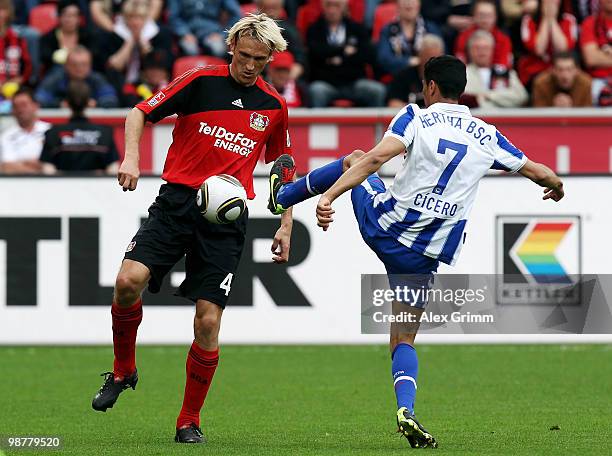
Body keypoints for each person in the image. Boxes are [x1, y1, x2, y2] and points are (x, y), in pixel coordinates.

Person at [267, 55, 565, 449]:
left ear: (430, 87)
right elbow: (538, 171)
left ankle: (283, 195)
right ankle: (405, 408)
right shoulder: (486, 135)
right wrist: (557, 185)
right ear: (463, 90)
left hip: (387, 228)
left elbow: (375, 159)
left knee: (356, 157)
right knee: (404, 339)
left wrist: (330, 197)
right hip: (425, 255)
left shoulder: (416, 117)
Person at [90, 14, 295, 444]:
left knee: (207, 323)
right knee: (128, 281)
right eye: (245, 56)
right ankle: (124, 370)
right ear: (232, 47)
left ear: (271, 57)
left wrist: (286, 223)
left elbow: (282, 169)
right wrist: (131, 158)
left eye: (261, 59)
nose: (251, 66)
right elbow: (138, 113)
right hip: (177, 203)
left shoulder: (273, 107)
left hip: (226, 221)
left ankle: (189, 420)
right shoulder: (200, 80)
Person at [307, 0, 386, 107]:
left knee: (377, 90)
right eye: (329, 5)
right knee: (315, 90)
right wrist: (343, 51)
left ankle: (378, 124)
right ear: (323, 7)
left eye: (337, 6)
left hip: (354, 82)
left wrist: (330, 58)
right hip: (326, 83)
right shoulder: (314, 29)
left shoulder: (357, 29)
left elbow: (367, 55)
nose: (332, 10)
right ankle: (318, 124)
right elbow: (315, 54)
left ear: (344, 8)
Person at [39, 80, 120, 174]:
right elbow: (113, 170)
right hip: (96, 187)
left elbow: (48, 172)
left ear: (66, 103)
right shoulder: (105, 133)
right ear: (90, 103)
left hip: (62, 187)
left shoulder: (52, 133)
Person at [517, 0, 578, 88]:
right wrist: (546, 19)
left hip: (562, 70)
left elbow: (563, 50)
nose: (551, 2)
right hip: (535, 71)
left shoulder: (569, 19)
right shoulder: (529, 20)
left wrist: (552, 20)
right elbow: (539, 50)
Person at [35, 46, 119, 108]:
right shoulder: (56, 78)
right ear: (66, 66)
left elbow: (111, 99)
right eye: (74, 65)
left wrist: (96, 104)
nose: (79, 69)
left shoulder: (97, 79)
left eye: (84, 64)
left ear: (90, 66)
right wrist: (58, 104)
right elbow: (39, 99)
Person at [461, 30, 528, 108]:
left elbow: (521, 96)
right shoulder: (462, 73)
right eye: (477, 48)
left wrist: (488, 95)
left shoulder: (504, 72)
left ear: (492, 50)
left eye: (485, 48)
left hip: (503, 118)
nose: (481, 51)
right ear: (469, 51)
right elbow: (462, 97)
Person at [376, 0, 443, 77]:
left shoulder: (431, 28)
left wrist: (421, 62)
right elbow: (384, 58)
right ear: (397, 4)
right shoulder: (388, 30)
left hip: (428, 79)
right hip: (396, 79)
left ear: (419, 4)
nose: (408, 3)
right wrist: (408, 61)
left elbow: (441, 57)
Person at [0, 87, 50, 174]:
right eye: (16, 106)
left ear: (36, 106)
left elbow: (55, 165)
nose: (20, 110)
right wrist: (39, 167)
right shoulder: (5, 137)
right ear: (12, 111)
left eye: (24, 105)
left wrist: (20, 164)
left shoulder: (50, 131)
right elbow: (6, 167)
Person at [387, 34, 444, 108]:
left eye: (437, 59)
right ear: (420, 55)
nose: (432, 63)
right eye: (428, 57)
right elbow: (393, 103)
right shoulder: (404, 76)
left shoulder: (446, 78)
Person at [168, 0, 242, 58]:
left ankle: (217, 77)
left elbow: (236, 15)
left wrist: (222, 34)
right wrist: (184, 33)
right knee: (189, 49)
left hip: (212, 32)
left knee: (218, 48)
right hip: (188, 31)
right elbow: (173, 17)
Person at [454, 0, 513, 70]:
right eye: (481, 15)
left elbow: (503, 66)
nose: (485, 20)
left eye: (489, 15)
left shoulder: (503, 39)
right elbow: (460, 63)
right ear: (474, 16)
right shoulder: (463, 37)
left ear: (495, 17)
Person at [39, 0, 92, 77]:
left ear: (79, 18)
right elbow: (46, 57)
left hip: (84, 74)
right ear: (59, 17)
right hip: (57, 74)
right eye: (67, 15)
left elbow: (93, 55)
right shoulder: (48, 37)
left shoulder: (88, 36)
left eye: (74, 16)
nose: (70, 20)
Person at [256, 0, 306, 79]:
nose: (270, 12)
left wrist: (286, 78)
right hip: (258, 74)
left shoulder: (289, 30)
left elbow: (300, 59)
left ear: (281, 8)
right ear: (259, 7)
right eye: (267, 8)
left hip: (285, 76)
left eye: (274, 7)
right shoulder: (252, 28)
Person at [580, 0, 612, 103]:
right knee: (590, 91)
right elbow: (591, 59)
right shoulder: (590, 23)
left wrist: (602, 54)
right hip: (598, 80)